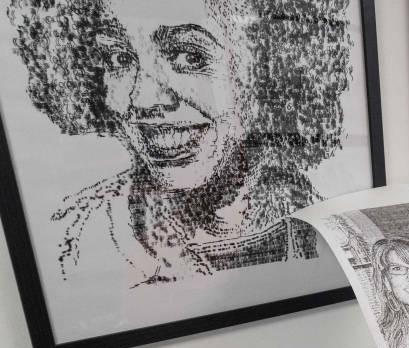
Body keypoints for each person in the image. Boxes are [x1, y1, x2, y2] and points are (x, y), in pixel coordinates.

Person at [8, 0, 353, 284]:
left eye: (190, 58)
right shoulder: (74, 239)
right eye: (119, 59)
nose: (142, 99)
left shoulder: (332, 230)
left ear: (268, 70)